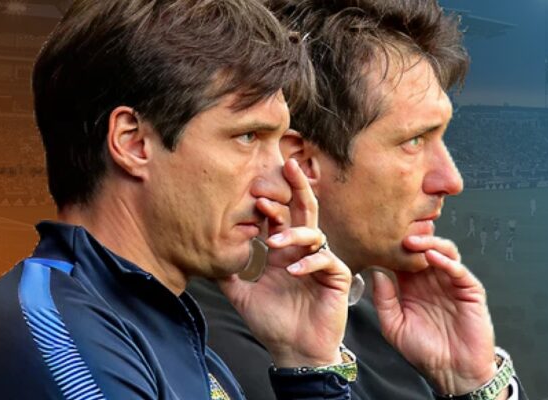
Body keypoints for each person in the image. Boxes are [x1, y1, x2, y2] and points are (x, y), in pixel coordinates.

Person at [0, 1, 355, 399]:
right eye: (248, 137)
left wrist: (308, 365)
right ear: (133, 143)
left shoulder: (173, 337)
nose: (280, 188)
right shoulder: (47, 329)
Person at [188, 1, 526, 399]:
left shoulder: (396, 326)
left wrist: (475, 384)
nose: (450, 181)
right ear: (301, 164)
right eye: (414, 141)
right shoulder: (207, 360)